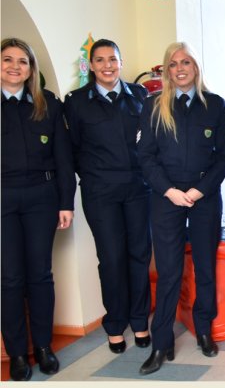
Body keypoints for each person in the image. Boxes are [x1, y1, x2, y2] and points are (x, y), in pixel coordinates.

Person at [138, 42, 225, 375]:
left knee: (205, 267)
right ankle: (161, 343)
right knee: (169, 273)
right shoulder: (153, 107)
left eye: (186, 62)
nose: (180, 68)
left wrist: (198, 190)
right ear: (167, 70)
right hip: (166, 200)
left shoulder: (215, 105)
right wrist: (170, 191)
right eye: (173, 63)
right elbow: (146, 156)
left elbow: (224, 157)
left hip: (204, 197)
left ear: (196, 67)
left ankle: (204, 330)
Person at [64, 39, 152, 355]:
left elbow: (150, 143)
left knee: (139, 256)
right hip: (100, 193)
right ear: (91, 65)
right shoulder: (75, 102)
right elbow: (70, 150)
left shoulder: (141, 96)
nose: (107, 66)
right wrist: (93, 175)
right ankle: (115, 325)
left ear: (121, 61)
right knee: (112, 259)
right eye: (100, 60)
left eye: (112, 59)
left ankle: (140, 321)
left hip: (138, 190)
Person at [1, 38, 75, 381]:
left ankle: (43, 347)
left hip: (41, 199)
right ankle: (17, 354)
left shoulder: (48, 106)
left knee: (40, 276)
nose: (15, 67)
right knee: (10, 279)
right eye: (7, 60)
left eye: (23, 61)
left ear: (32, 69)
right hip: (3, 199)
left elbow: (63, 159)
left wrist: (65, 203)